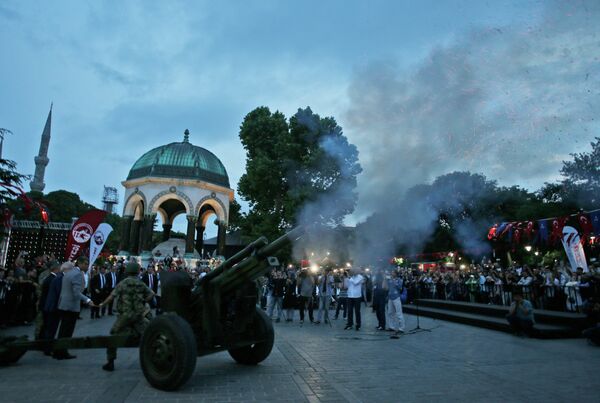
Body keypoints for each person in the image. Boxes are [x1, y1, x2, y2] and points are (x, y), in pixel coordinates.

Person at [98, 262, 155, 371]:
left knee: (113, 335)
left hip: (125, 315)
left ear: (127, 271)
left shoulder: (123, 283)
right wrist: (143, 301)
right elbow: (151, 293)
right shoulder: (140, 283)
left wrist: (102, 304)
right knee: (149, 335)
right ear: (138, 271)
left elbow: (112, 296)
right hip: (139, 315)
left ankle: (110, 362)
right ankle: (152, 360)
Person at [55, 258, 93, 360]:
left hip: (64, 304)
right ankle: (62, 352)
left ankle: (58, 351)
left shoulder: (69, 273)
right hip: (71, 306)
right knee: (67, 331)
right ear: (79, 263)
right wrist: (88, 300)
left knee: (63, 330)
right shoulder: (77, 274)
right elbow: (76, 293)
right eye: (85, 263)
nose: (87, 266)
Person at [42, 262, 67, 356]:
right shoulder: (56, 279)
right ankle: (47, 348)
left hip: (48, 306)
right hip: (53, 307)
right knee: (51, 328)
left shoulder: (51, 278)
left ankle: (46, 346)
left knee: (49, 328)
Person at [384, 270, 405, 337]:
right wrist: (385, 279)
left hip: (396, 297)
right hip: (390, 298)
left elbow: (400, 288)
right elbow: (386, 288)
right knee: (390, 313)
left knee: (399, 313)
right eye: (391, 272)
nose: (391, 273)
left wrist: (393, 281)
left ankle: (401, 328)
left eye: (393, 272)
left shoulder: (399, 280)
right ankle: (391, 327)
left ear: (396, 274)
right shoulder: (389, 279)